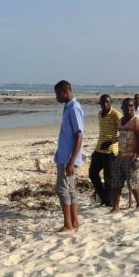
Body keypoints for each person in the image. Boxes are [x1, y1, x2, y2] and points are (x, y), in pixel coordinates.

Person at [53, 80, 84, 232]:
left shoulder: (74, 108)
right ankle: (74, 222)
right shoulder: (68, 107)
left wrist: (71, 161)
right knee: (70, 189)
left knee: (62, 190)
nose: (56, 97)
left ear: (65, 92)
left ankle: (68, 224)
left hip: (68, 159)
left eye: (58, 94)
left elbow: (79, 135)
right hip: (64, 156)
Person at [106, 98, 139, 212]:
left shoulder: (137, 120)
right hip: (120, 155)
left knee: (133, 183)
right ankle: (116, 207)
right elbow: (123, 136)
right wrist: (111, 141)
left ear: (134, 107)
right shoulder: (120, 121)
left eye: (131, 106)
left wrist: (137, 157)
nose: (129, 108)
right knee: (116, 183)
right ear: (122, 107)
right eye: (126, 106)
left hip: (131, 157)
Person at [89, 94, 121, 207]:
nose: (105, 104)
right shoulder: (99, 114)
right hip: (98, 149)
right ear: (100, 104)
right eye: (102, 103)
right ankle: (104, 198)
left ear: (111, 102)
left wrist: (110, 142)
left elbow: (124, 135)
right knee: (92, 173)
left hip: (110, 150)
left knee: (108, 177)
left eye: (107, 102)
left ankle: (108, 201)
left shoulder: (116, 115)